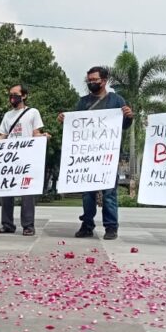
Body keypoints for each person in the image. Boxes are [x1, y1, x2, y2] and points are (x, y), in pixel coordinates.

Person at [58, 66, 134, 240]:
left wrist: (129, 116)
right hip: (86, 156)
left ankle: (111, 227)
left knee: (109, 193)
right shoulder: (82, 102)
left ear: (104, 81)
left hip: (108, 156)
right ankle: (87, 225)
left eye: (95, 80)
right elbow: (75, 126)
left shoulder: (117, 100)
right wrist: (65, 120)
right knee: (87, 194)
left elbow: (123, 125)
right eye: (89, 81)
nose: (91, 83)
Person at [0, 84, 50, 237]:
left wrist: (43, 137)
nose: (12, 97)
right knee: (6, 192)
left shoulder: (33, 113)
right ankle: (7, 224)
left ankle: (28, 226)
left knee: (27, 193)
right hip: (10, 159)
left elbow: (36, 133)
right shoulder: (7, 115)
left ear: (24, 96)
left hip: (27, 158)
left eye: (15, 94)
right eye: (10, 94)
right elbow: (3, 136)